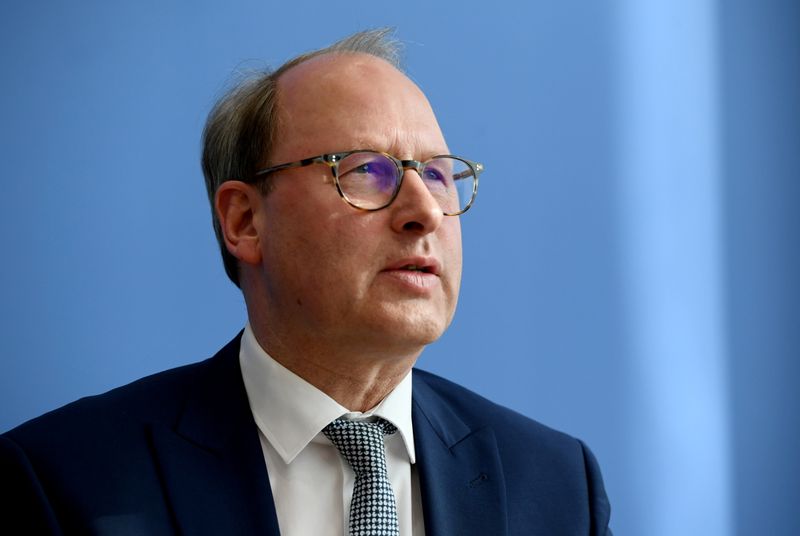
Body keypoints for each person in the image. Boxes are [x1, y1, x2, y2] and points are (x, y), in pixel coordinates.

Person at [0, 29, 612, 535]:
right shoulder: (62, 479)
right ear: (245, 221)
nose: (423, 210)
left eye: (437, 173)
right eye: (367, 170)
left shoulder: (557, 486)